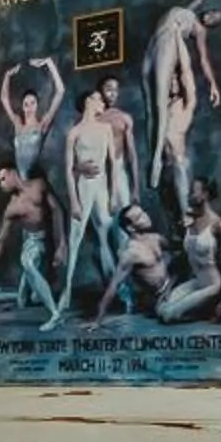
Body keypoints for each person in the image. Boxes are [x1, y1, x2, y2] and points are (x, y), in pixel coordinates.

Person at [144, 0, 221, 229]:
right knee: (154, 109)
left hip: (175, 157)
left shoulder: (197, 31)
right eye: (213, 13)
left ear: (209, 27)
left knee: (178, 169)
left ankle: (159, 166)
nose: (212, 16)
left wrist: (212, 83)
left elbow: (196, 64)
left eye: (215, 20)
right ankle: (179, 213)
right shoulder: (189, 14)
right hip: (161, 38)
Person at [55, 76, 139, 307]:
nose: (102, 101)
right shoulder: (74, 132)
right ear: (88, 102)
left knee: (106, 233)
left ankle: (121, 292)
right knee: (76, 238)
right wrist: (74, 202)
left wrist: (113, 195)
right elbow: (68, 169)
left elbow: (112, 164)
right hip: (83, 187)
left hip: (102, 187)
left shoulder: (105, 130)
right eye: (98, 98)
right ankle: (67, 291)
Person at [0, 164, 66, 327]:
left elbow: (57, 211)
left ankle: (55, 314)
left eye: (3, 179)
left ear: (13, 173)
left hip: (48, 240)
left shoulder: (38, 185)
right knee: (23, 301)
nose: (1, 184)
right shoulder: (12, 208)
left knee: (27, 263)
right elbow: (0, 243)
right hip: (32, 242)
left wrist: (61, 244)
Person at [157, 173, 221, 323]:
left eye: (193, 191)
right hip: (196, 281)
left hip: (212, 285)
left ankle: (208, 306)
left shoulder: (218, 225)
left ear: (204, 194)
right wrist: (169, 287)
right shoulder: (190, 220)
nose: (189, 195)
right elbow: (184, 258)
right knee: (160, 308)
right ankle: (199, 308)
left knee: (168, 315)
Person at [93, 204, 181, 322]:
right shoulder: (130, 254)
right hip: (161, 298)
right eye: (140, 217)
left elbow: (179, 251)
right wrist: (97, 320)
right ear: (131, 228)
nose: (146, 216)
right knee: (169, 313)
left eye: (144, 213)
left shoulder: (156, 238)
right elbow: (113, 285)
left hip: (174, 286)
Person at [0, 56, 67, 180]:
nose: (29, 108)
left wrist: (48, 62)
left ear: (37, 105)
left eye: (32, 103)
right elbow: (4, 99)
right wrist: (7, 75)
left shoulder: (42, 124)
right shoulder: (18, 123)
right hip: (20, 180)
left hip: (35, 180)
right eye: (26, 104)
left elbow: (60, 91)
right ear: (22, 107)